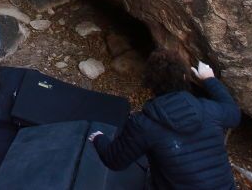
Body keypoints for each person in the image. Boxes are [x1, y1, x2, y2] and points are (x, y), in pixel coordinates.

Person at [88, 50, 241, 190]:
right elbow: (234, 114)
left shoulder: (143, 125)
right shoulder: (210, 110)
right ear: (184, 77)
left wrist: (98, 138)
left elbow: (115, 160)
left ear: (150, 85)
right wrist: (210, 79)